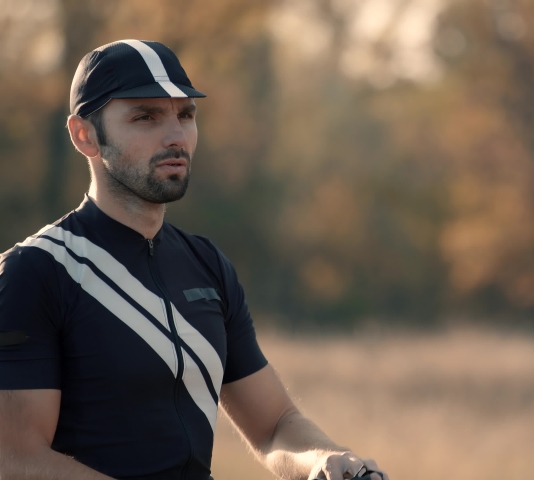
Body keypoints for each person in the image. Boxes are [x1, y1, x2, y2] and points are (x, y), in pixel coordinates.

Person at [0, 39, 387, 480]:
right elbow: (15, 459)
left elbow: (275, 425)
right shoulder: (34, 272)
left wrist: (326, 461)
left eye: (185, 115)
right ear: (84, 135)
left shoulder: (207, 264)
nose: (175, 136)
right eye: (145, 116)